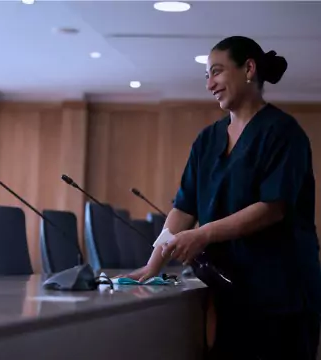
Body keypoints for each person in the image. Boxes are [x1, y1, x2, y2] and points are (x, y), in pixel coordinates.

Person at [125, 36, 321, 359]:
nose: (209, 84)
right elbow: (184, 208)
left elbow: (272, 208)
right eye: (206, 76)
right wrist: (153, 264)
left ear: (249, 69)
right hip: (229, 293)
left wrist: (203, 234)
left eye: (216, 72)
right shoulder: (207, 141)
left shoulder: (284, 133)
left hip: (281, 296)